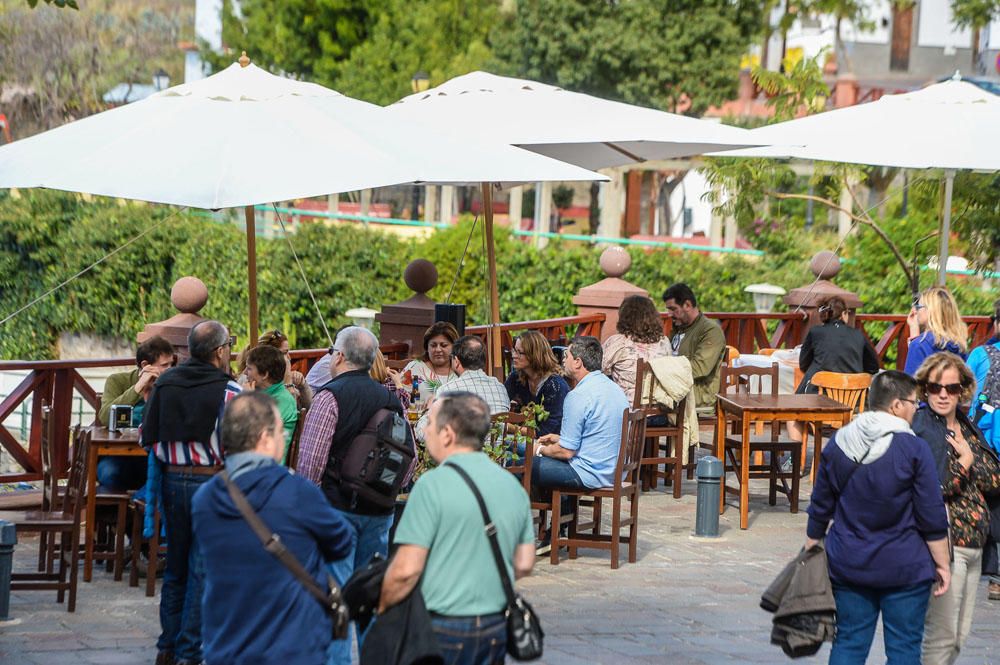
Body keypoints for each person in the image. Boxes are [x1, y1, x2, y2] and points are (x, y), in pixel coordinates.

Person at [193, 392, 352, 665]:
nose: (284, 438)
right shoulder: (297, 492)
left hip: (226, 645)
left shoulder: (205, 499)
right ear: (265, 439)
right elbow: (342, 542)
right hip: (293, 647)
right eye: (280, 431)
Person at [805, 370, 951, 664]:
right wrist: (943, 564)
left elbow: (820, 504)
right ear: (896, 405)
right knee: (904, 649)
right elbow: (931, 515)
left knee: (848, 643)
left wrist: (812, 546)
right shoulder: (914, 448)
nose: (916, 409)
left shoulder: (839, 443)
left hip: (849, 562)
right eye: (914, 403)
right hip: (905, 566)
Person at [379, 392, 535, 663]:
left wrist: (382, 606)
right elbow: (524, 563)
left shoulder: (432, 485)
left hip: (443, 626)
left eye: (429, 424)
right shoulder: (513, 486)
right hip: (496, 624)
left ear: (448, 434)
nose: (425, 431)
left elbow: (406, 570)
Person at [295, 326, 411, 665]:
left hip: (336, 510)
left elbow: (310, 464)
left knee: (337, 597)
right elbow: (410, 459)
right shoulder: (391, 398)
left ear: (340, 356)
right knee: (370, 596)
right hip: (379, 510)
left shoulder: (329, 396)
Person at [141, 320, 241, 665]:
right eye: (230, 345)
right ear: (219, 351)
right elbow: (237, 449)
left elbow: (148, 437)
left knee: (176, 567)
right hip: (210, 482)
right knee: (201, 568)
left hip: (172, 481)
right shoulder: (231, 392)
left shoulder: (165, 383)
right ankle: (188, 651)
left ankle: (167, 647)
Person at [911, 352, 1000, 664]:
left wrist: (970, 461)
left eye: (951, 387)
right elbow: (936, 488)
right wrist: (964, 463)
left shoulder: (968, 426)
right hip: (946, 546)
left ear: (963, 389)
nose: (944, 394)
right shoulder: (921, 428)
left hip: (976, 545)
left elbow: (995, 478)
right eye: (936, 388)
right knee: (941, 639)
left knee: (958, 638)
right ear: (925, 389)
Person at [532, 336, 629, 506]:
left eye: (566, 356)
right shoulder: (614, 388)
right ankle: (560, 519)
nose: (563, 360)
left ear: (577, 362)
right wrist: (560, 439)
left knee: (516, 463)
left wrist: (538, 449)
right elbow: (598, 434)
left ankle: (542, 519)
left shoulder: (578, 395)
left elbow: (566, 452)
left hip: (588, 474)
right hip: (613, 472)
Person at [97, 335, 174, 491]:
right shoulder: (118, 381)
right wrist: (138, 387)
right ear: (145, 365)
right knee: (111, 474)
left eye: (172, 364)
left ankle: (141, 507)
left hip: (156, 454)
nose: (170, 370)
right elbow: (105, 417)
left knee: (169, 477)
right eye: (165, 365)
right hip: (118, 454)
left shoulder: (172, 385)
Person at [967, 299, 1000, 601]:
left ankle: (994, 575)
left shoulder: (980, 354)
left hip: (987, 439)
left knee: (990, 501)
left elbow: (965, 392)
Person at [662, 282, 726, 410]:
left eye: (673, 309)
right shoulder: (679, 328)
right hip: (675, 391)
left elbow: (700, 368)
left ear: (687, 305)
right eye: (668, 310)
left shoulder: (710, 331)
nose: (670, 314)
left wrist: (663, 371)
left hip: (697, 397)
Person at [797, 296, 879, 393]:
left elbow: (803, 364)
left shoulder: (815, 332)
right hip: (852, 399)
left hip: (818, 398)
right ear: (843, 314)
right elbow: (873, 367)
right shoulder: (858, 334)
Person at [602, 295, 672, 403]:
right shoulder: (664, 342)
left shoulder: (618, 342)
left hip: (628, 414)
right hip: (660, 411)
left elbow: (598, 368)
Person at [503, 330, 570, 437]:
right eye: (514, 350)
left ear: (535, 355)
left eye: (520, 352)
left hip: (552, 443)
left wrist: (509, 428)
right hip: (526, 437)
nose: (514, 356)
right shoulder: (516, 378)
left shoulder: (555, 386)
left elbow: (547, 432)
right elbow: (501, 401)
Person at [244, 344, 298, 459]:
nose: (244, 373)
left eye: (249, 368)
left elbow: (257, 435)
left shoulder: (283, 400)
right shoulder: (263, 395)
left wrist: (248, 400)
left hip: (267, 468)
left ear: (264, 374)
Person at [238, 329, 313, 410]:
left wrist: (303, 385)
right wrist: (288, 386)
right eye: (284, 353)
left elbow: (311, 408)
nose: (289, 358)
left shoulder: (279, 379)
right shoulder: (248, 380)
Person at [904, 286, 968, 376]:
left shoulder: (919, 345)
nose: (916, 310)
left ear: (930, 310)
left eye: (919, 306)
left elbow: (910, 384)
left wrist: (914, 343)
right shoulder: (959, 345)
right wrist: (914, 328)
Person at [402, 321, 459, 396]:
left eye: (444, 345)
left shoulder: (461, 370)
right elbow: (403, 397)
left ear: (454, 347)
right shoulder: (415, 368)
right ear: (427, 348)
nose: (438, 350)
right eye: (433, 345)